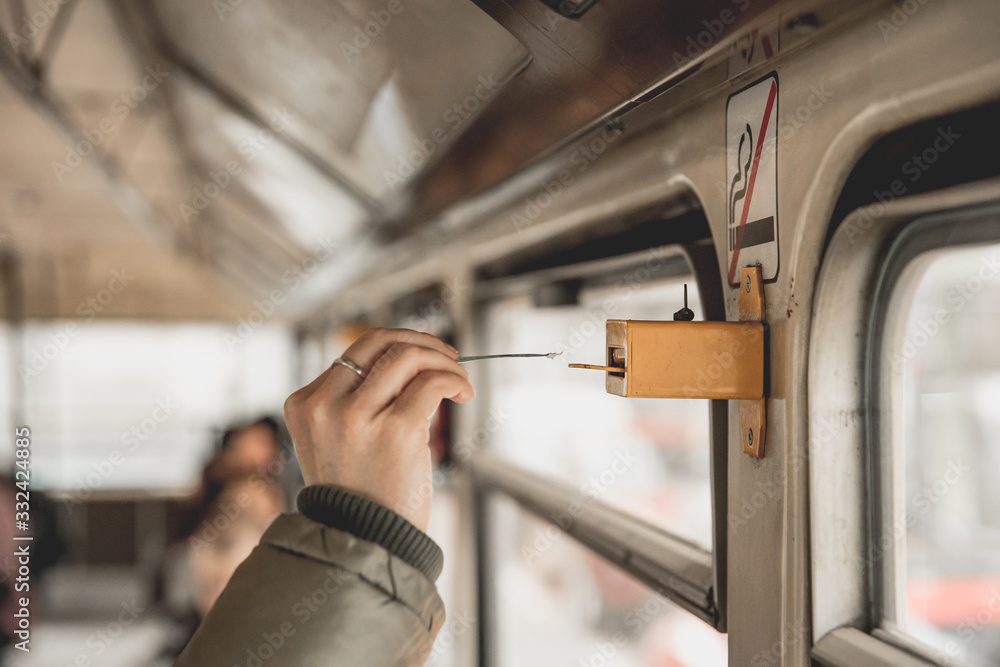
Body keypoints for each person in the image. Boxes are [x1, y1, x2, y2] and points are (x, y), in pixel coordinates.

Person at [175, 328, 475, 666]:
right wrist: (373, 535)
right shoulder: (244, 500)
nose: (260, 456)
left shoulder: (242, 500)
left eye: (265, 450)